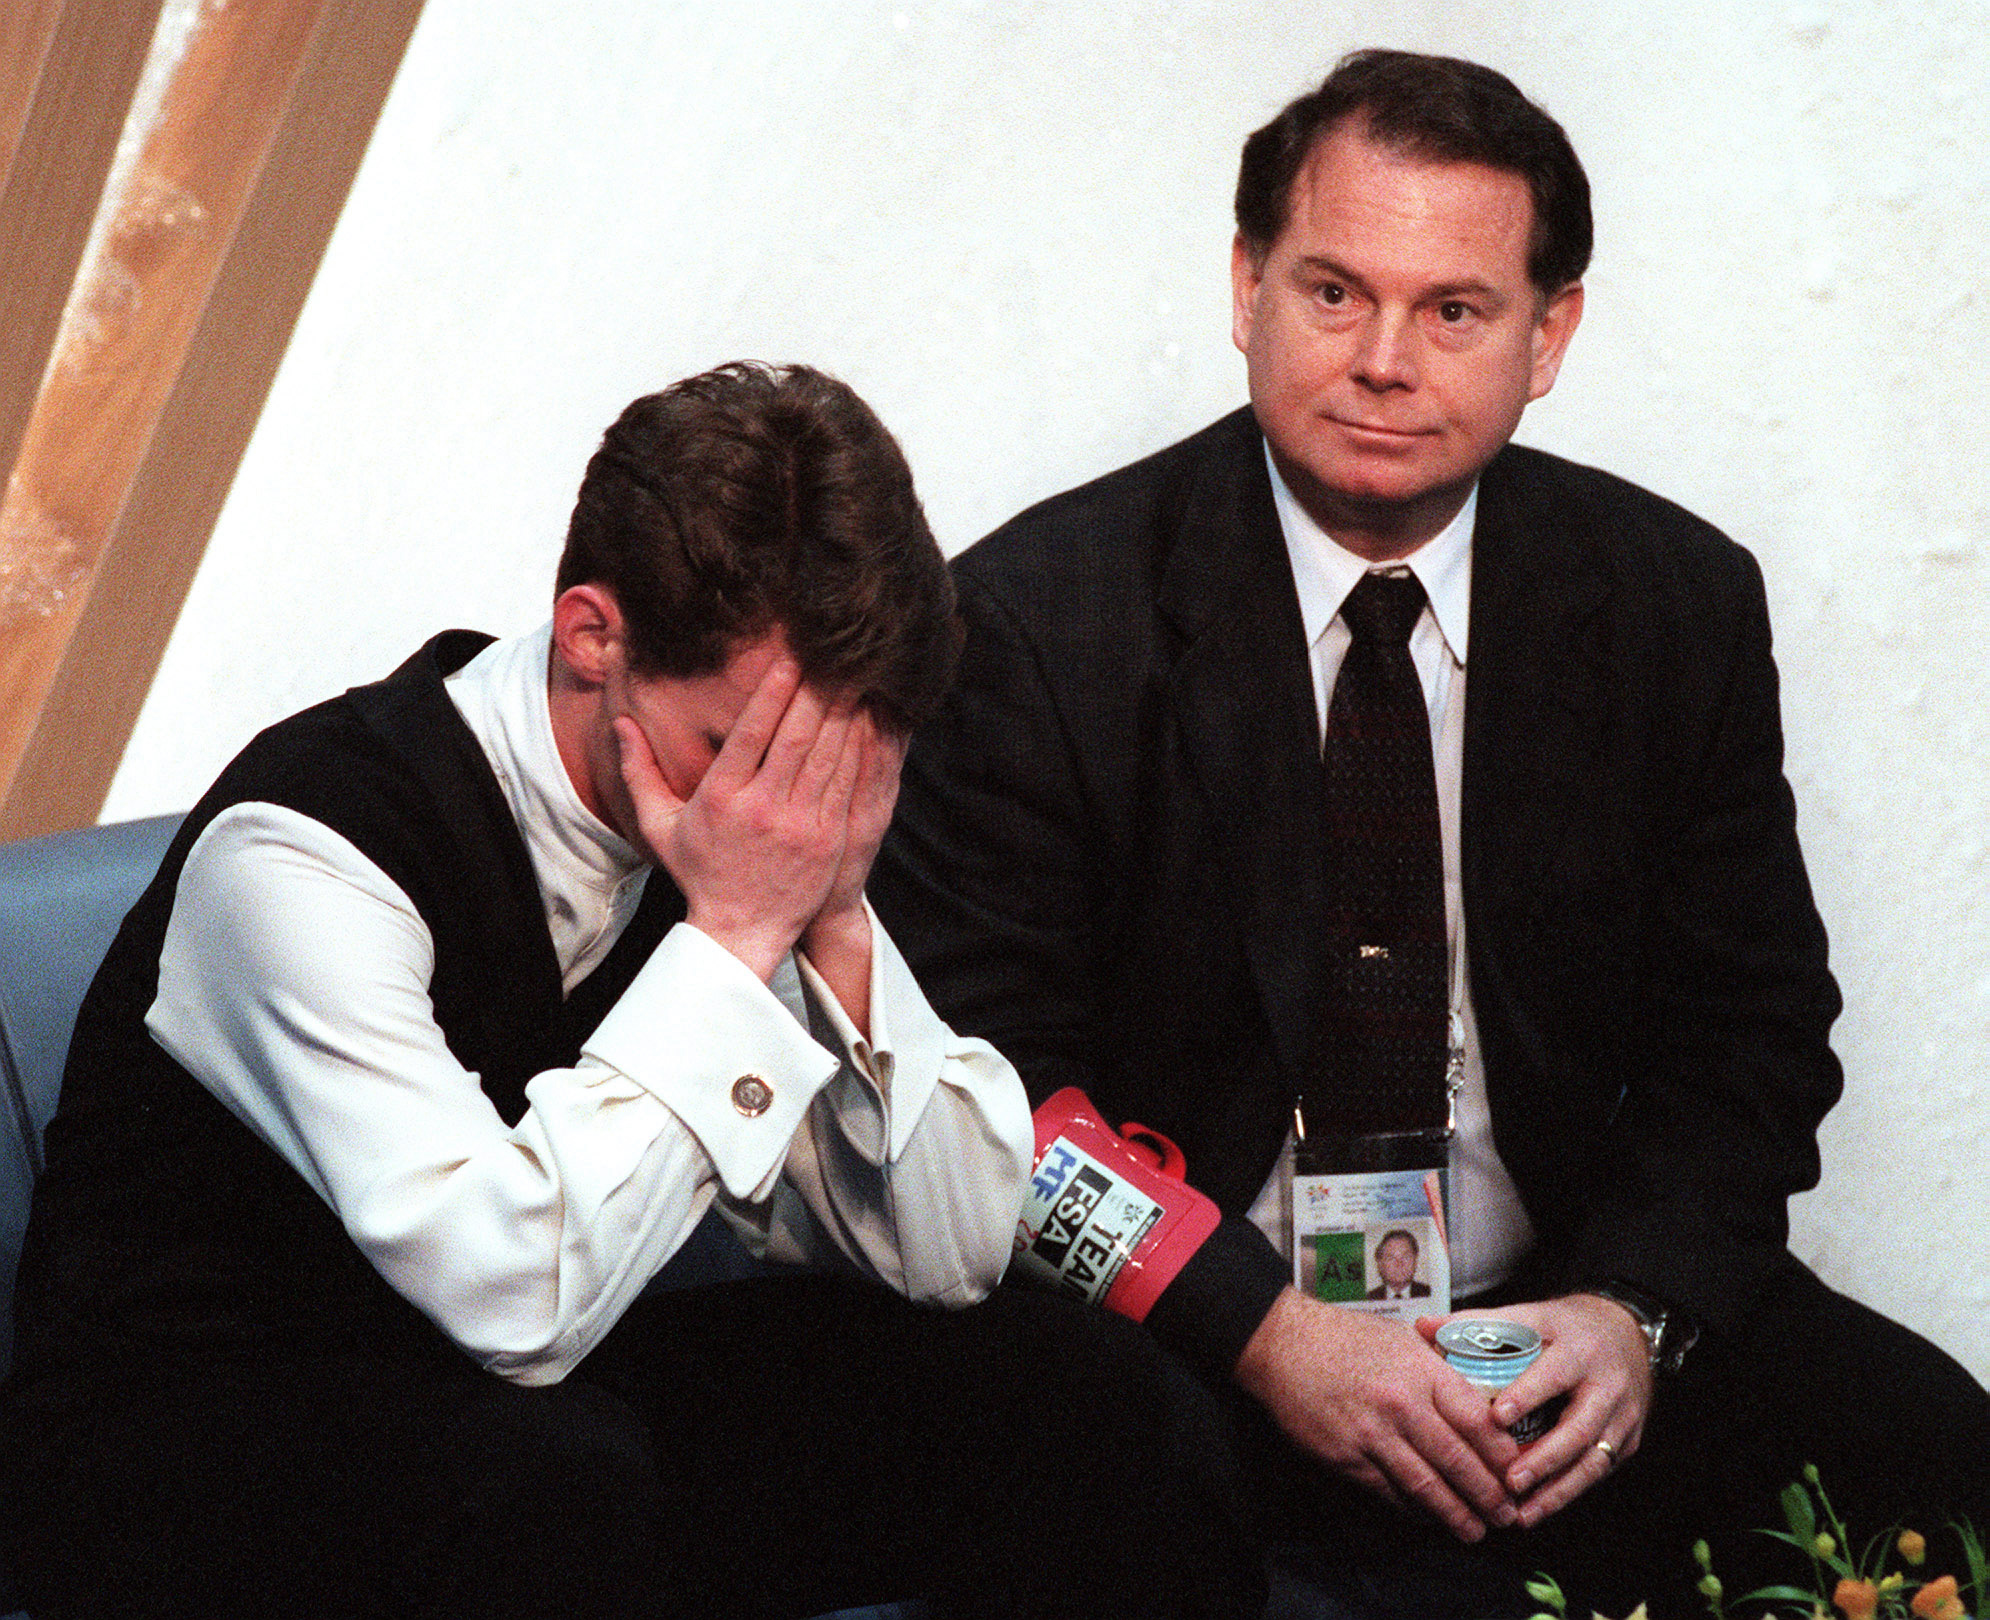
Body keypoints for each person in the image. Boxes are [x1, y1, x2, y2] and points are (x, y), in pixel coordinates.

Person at [873, 51, 1990, 1616]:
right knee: (1106, 1487)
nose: (1384, 360)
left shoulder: (1673, 604)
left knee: (1935, 1448)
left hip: (1547, 1318)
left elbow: (1748, 1037)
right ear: (1247, 285)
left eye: (1453, 310)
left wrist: (1631, 1317)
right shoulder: (1032, 622)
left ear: (1550, 335)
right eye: (1333, 293)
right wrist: (1265, 1336)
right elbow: (978, 1089)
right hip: (1186, 1335)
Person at [1, 363, 1262, 1619]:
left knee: (1079, 1392)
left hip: (516, 1412)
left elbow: (948, 1252)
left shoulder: (744, 841)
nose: (785, 812)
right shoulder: (303, 852)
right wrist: (736, 932)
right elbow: (513, 1295)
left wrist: (831, 919)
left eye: (833, 772)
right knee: (554, 1480)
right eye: (741, 753)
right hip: (182, 1456)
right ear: (593, 635)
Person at [1367, 1231, 1428, 1301]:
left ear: (1415, 1261)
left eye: (1406, 1257)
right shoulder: (1368, 1299)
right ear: (1380, 1265)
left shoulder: (1430, 1293)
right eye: (1391, 1258)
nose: (1399, 1264)